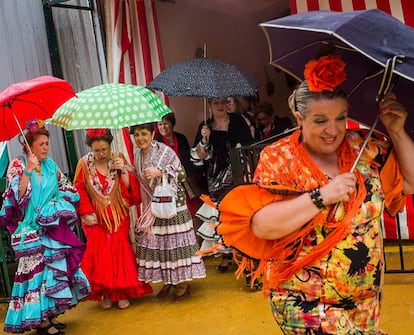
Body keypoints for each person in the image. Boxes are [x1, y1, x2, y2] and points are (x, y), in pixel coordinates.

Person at [214, 55, 414, 334]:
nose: (333, 130)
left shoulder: (367, 149)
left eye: (340, 118)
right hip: (305, 300)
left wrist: (397, 132)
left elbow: (409, 184)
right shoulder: (280, 157)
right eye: (320, 121)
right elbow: (262, 225)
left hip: (365, 298)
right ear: (299, 118)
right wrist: (321, 196)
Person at [0, 119, 90, 335]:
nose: (45, 148)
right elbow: (17, 199)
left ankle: (48, 315)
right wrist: (28, 171)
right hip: (31, 230)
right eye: (41, 144)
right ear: (28, 145)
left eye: (47, 144)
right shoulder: (18, 166)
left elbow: (66, 187)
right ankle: (40, 322)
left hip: (51, 227)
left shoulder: (51, 165)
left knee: (51, 272)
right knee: (37, 274)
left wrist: (58, 204)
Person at [73, 128, 152, 310]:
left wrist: (122, 170)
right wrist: (85, 213)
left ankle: (122, 292)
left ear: (110, 146)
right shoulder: (83, 164)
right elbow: (79, 189)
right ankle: (106, 293)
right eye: (97, 150)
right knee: (101, 255)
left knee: (119, 251)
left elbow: (131, 190)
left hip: (118, 215)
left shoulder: (119, 159)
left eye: (104, 150)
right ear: (90, 149)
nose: (101, 154)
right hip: (95, 217)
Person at [131, 122, 206, 302]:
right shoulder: (138, 154)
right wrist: (127, 168)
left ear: (152, 133)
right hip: (154, 206)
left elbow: (181, 173)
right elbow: (141, 178)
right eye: (137, 135)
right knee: (162, 245)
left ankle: (182, 283)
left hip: (172, 205)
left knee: (174, 243)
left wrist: (160, 171)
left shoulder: (164, 151)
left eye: (144, 134)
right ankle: (169, 280)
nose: (140, 138)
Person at [193, 98, 252, 272]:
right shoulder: (205, 126)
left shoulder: (238, 121)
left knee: (238, 216)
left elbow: (248, 148)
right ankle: (226, 254)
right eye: (215, 103)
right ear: (209, 105)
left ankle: (243, 256)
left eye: (222, 102)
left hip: (236, 174)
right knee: (220, 216)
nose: (220, 106)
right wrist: (204, 139)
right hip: (215, 177)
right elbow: (200, 156)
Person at [156, 113, 202, 219]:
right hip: (168, 181)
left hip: (185, 178)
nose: (163, 127)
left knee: (192, 211)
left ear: (172, 124)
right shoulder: (156, 142)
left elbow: (188, 158)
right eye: (160, 124)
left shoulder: (181, 138)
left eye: (166, 124)